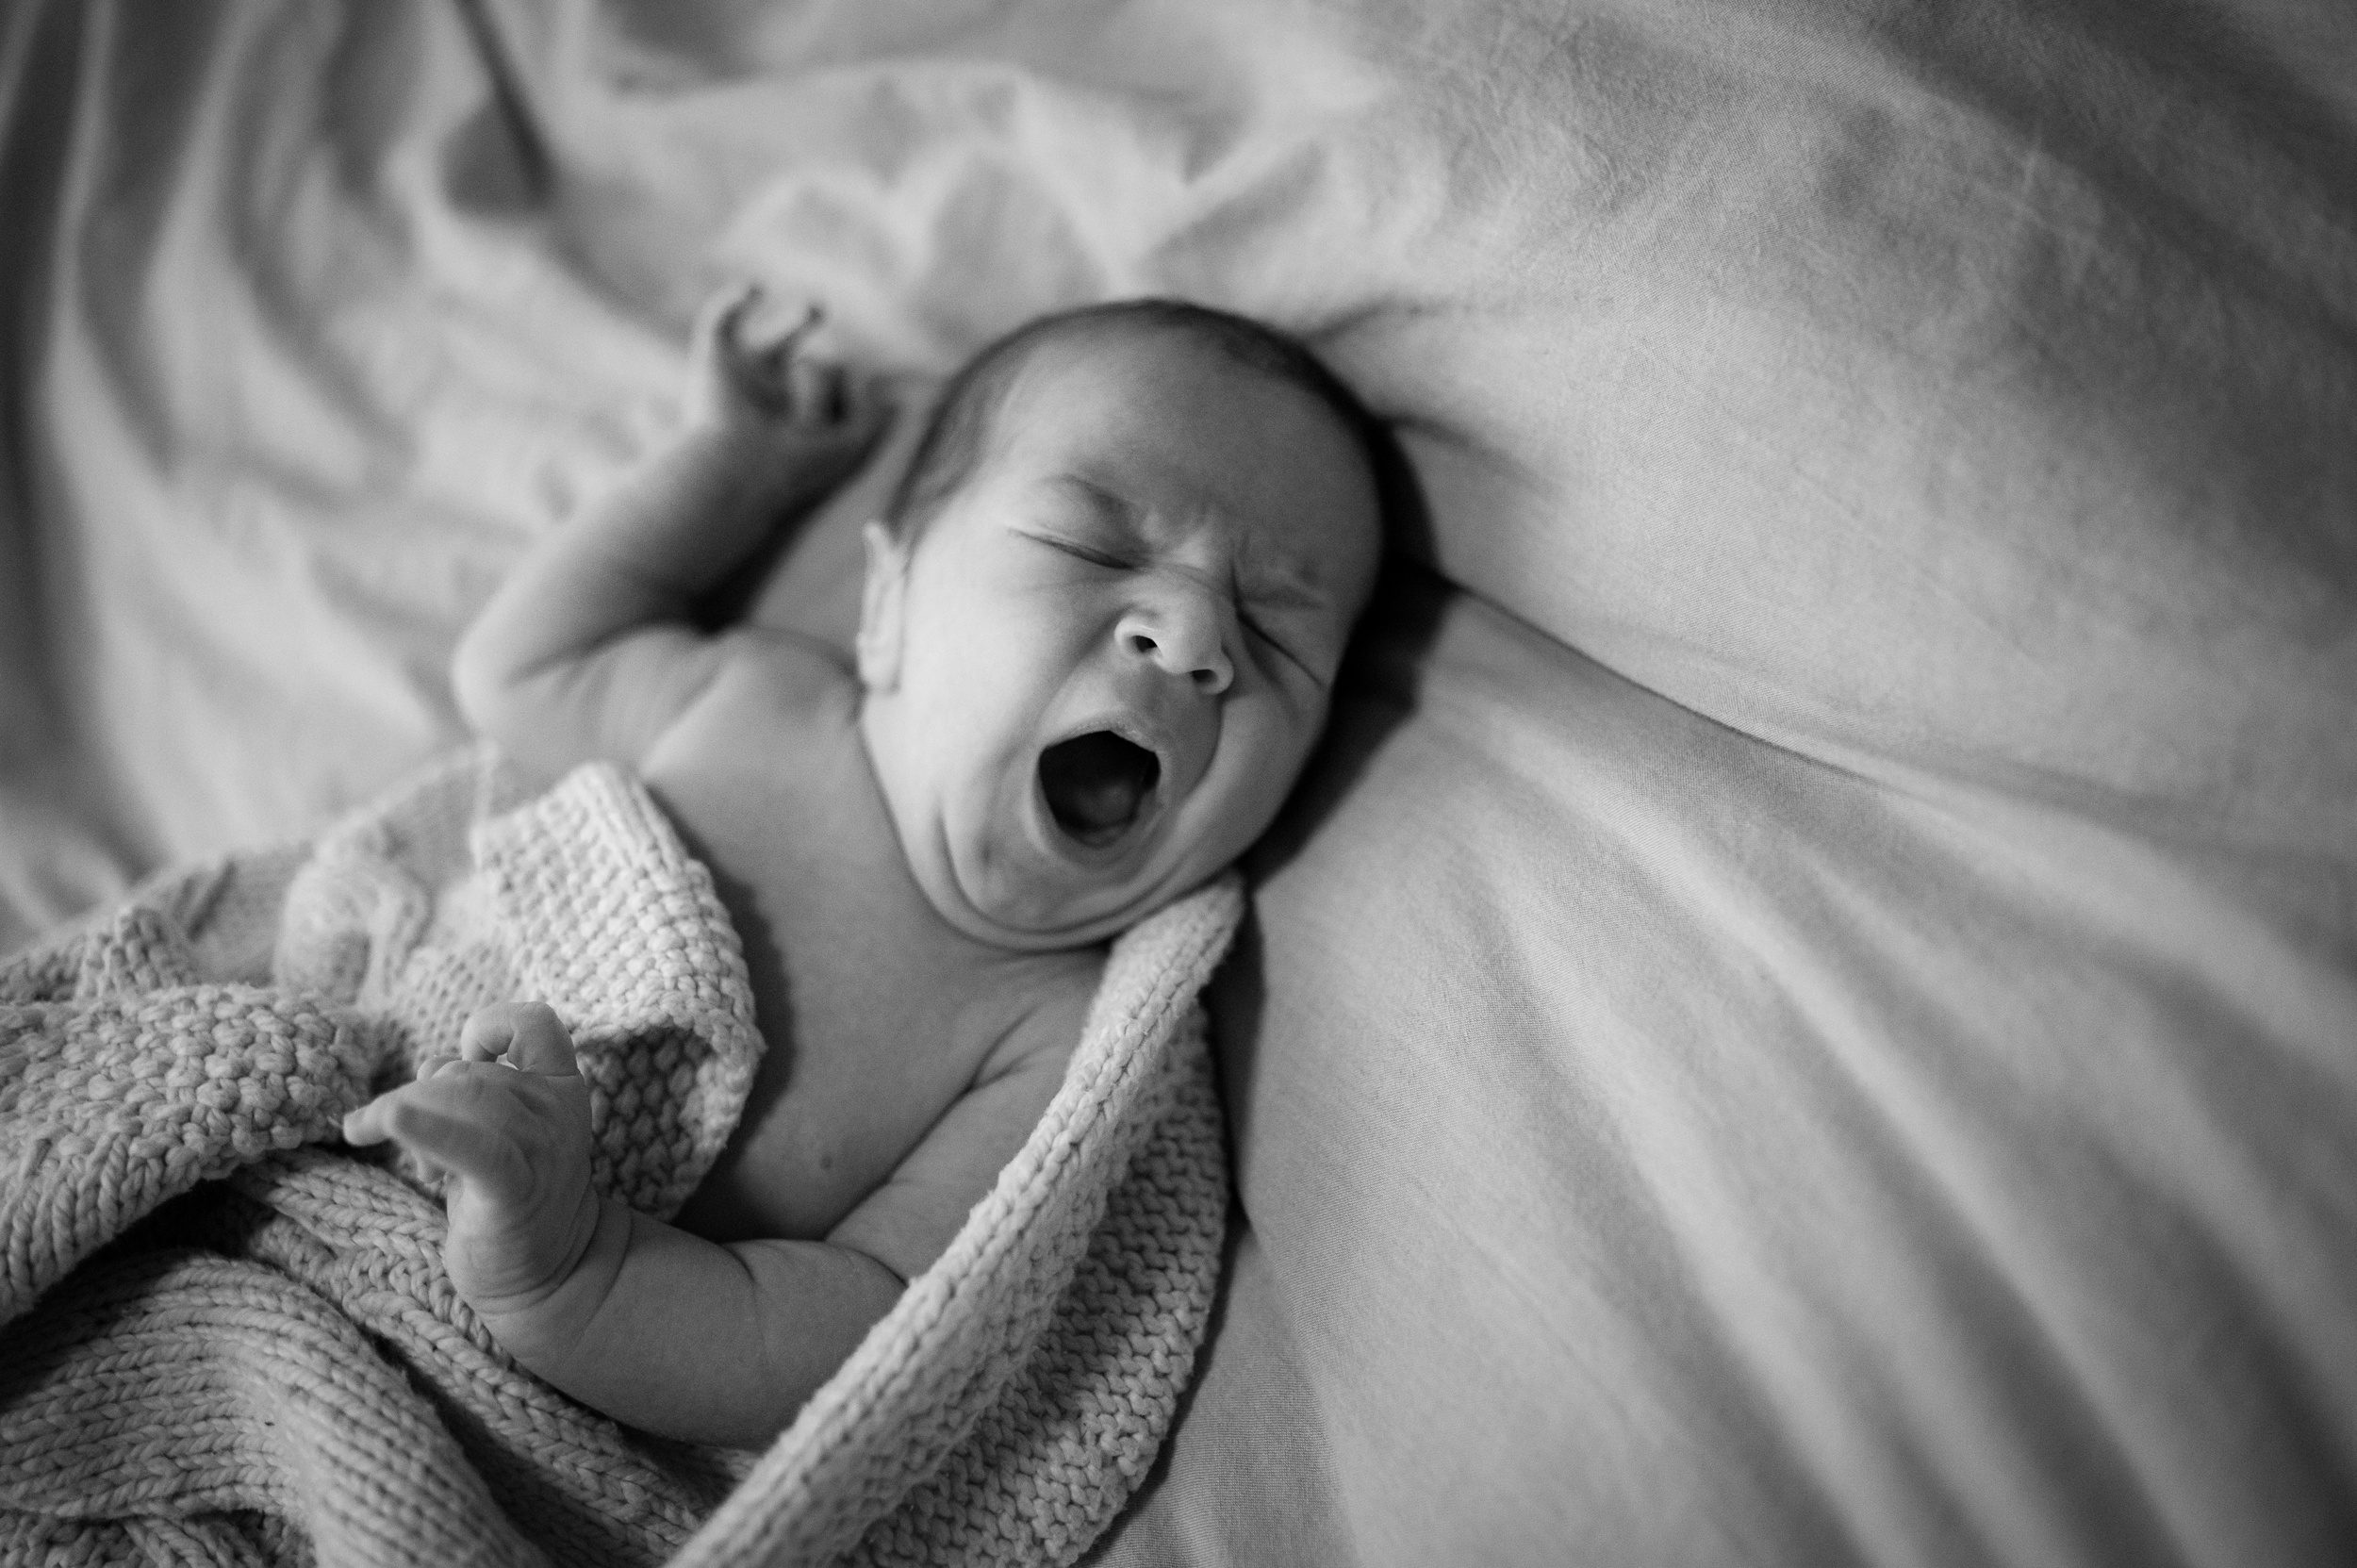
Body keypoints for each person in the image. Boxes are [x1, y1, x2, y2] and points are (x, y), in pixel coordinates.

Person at [340, 284, 1387, 1447]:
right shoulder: (754, 699)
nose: (1193, 639)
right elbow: (523, 664)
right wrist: (736, 466)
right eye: (1093, 545)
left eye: (1279, 638)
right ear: (886, 606)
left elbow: (868, 1323)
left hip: (505, 1365)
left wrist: (569, 1269)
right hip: (350, 1126)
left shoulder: (1055, 1040)